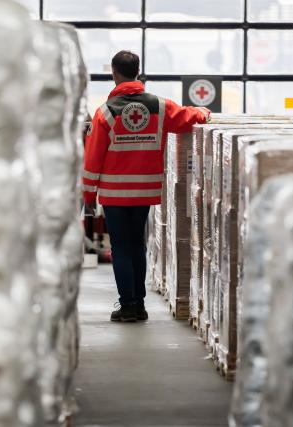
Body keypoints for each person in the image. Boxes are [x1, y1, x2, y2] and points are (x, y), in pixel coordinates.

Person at [83, 50, 211, 323]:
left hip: (114, 194)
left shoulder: (106, 112)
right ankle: (138, 304)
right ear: (137, 71)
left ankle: (128, 304)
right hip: (144, 192)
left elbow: (93, 158)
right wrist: (203, 111)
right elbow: (188, 118)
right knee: (137, 244)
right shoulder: (160, 106)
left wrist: (88, 194)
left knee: (121, 247)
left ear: (114, 74)